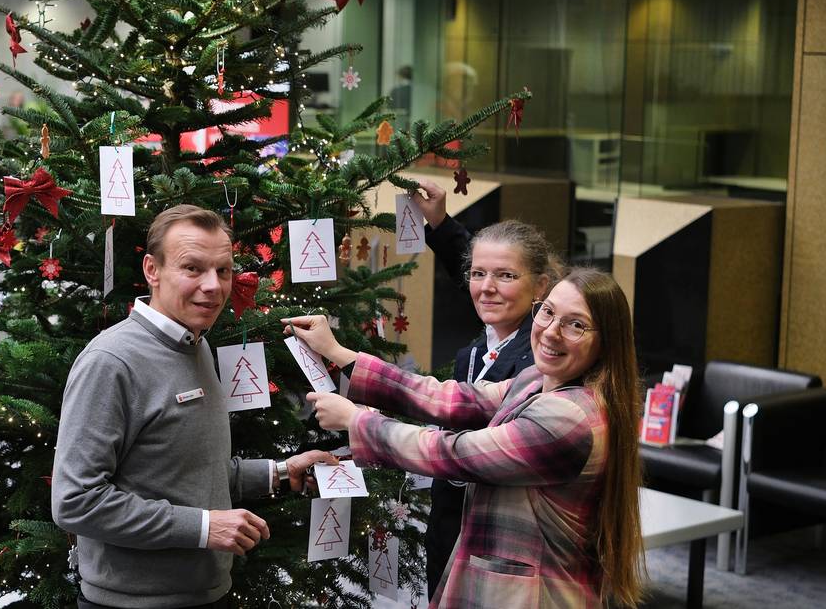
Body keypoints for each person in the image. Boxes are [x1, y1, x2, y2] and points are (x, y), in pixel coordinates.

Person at [285, 267, 645, 607]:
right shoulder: (536, 380)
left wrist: (357, 422)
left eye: (576, 325)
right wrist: (339, 354)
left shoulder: (569, 419)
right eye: (548, 312)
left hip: (531, 596)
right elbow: (450, 398)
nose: (551, 331)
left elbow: (454, 454)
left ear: (605, 342)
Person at [52, 205, 338, 609]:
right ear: (152, 270)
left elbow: (191, 472)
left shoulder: (196, 345)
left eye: (223, 271)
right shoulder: (110, 362)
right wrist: (204, 527)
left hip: (208, 595)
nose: (213, 286)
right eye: (193, 268)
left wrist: (278, 472)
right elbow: (75, 501)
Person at [409, 178, 560, 597]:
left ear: (541, 287)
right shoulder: (479, 347)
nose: (486, 287)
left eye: (506, 275)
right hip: (450, 527)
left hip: (502, 549)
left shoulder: (541, 359)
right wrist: (439, 222)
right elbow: (486, 279)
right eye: (477, 274)